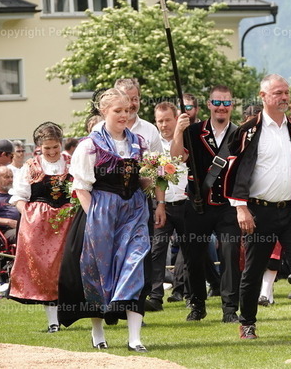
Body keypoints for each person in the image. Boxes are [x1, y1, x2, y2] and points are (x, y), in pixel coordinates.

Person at [58, 88, 165, 352]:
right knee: (98, 271)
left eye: (127, 110)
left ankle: (135, 338)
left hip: (135, 212)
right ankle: (97, 330)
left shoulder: (139, 142)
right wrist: (95, 218)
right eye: (118, 110)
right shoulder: (90, 145)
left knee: (136, 266)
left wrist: (155, 177)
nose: (124, 115)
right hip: (101, 212)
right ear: (104, 111)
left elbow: (142, 180)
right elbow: (81, 187)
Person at [226, 73, 291, 341]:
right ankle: (247, 323)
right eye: (277, 93)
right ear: (263, 96)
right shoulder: (247, 131)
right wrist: (240, 208)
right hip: (259, 212)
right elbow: (234, 172)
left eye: (286, 93)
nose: (284, 97)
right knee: (253, 270)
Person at [171, 85, 241, 323]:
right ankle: (197, 305)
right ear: (209, 105)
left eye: (226, 103)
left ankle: (230, 309)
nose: (221, 107)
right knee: (193, 256)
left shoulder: (239, 134)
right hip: (198, 203)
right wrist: (178, 131)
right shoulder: (193, 131)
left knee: (230, 254)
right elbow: (176, 158)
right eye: (217, 102)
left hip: (228, 205)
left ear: (232, 105)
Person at [8, 122, 73, 333]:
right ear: (39, 147)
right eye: (47, 148)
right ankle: (53, 321)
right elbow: (19, 196)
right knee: (45, 269)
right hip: (39, 225)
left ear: (61, 144)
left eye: (55, 147)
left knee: (66, 267)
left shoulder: (72, 163)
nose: (52, 152)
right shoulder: (31, 166)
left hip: (68, 221)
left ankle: (70, 312)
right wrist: (28, 216)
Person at [145, 102, 188, 312]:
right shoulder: (153, 145)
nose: (164, 125)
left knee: (190, 250)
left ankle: (188, 293)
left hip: (186, 202)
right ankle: (155, 296)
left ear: (176, 119)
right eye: (160, 121)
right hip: (162, 205)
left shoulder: (187, 139)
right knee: (157, 250)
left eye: (167, 120)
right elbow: (154, 176)